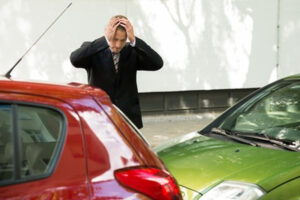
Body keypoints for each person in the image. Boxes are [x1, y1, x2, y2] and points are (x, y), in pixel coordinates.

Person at [70, 15, 163, 129]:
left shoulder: (132, 51)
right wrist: (104, 40)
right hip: (100, 115)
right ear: (107, 33)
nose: (118, 45)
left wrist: (134, 40)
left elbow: (157, 63)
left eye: (123, 40)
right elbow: (75, 59)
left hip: (127, 119)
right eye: (115, 39)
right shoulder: (93, 49)